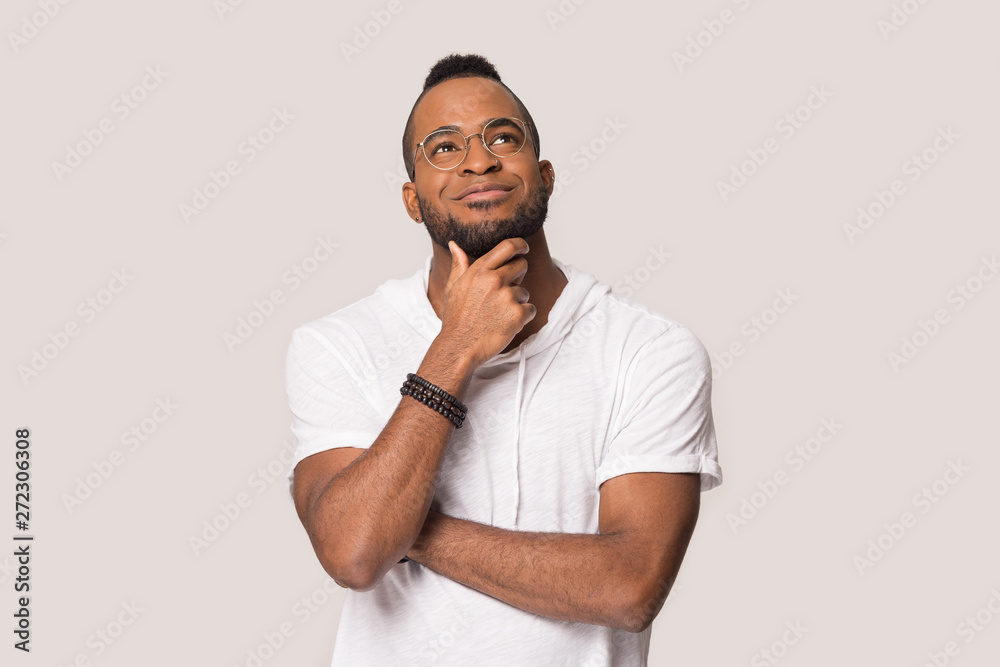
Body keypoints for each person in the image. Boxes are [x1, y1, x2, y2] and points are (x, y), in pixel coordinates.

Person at [285, 53, 723, 666]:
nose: (478, 160)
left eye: (503, 138)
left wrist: (401, 529)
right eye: (444, 147)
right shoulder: (338, 343)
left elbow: (629, 587)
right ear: (412, 199)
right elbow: (354, 556)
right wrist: (456, 346)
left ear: (545, 175)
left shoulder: (650, 351)